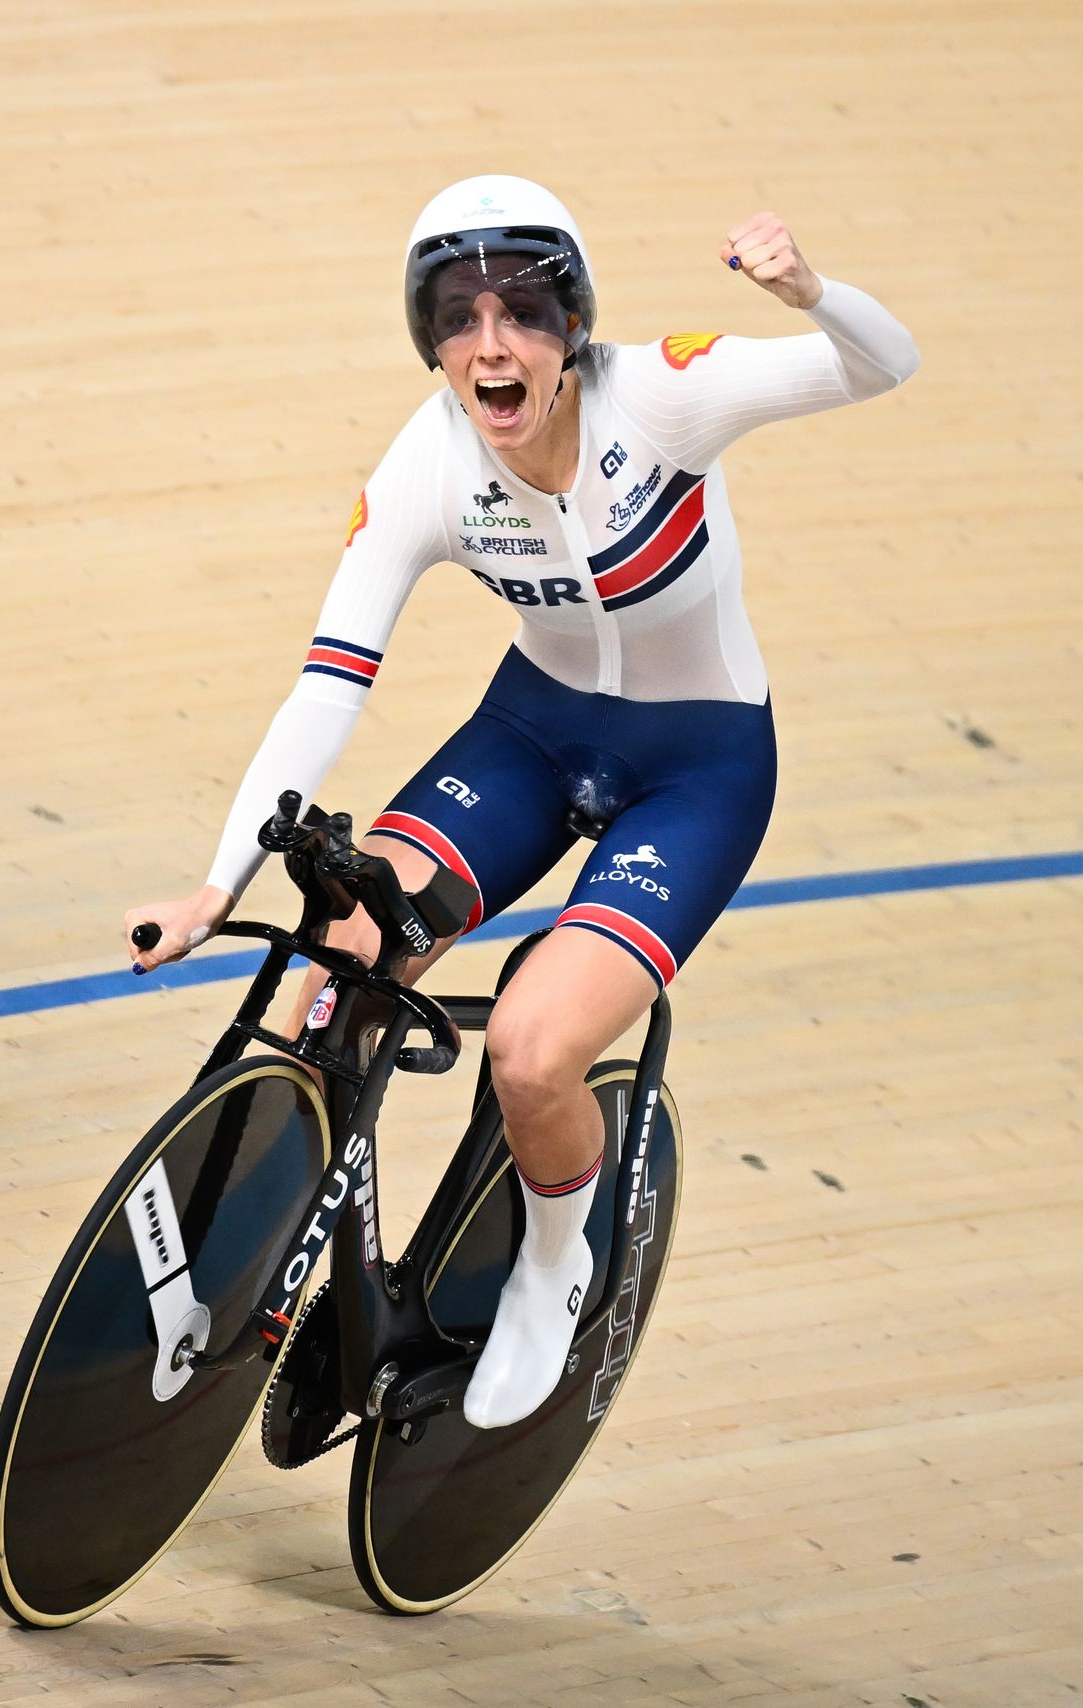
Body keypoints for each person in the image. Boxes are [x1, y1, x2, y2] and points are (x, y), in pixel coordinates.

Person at [125, 174, 917, 1428]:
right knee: (341, 941)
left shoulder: (662, 394)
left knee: (531, 1052)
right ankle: (312, 1253)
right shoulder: (428, 462)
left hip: (695, 772)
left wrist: (808, 291)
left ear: (573, 325)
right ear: (428, 336)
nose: (491, 343)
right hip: (529, 740)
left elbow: (884, 364)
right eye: (456, 314)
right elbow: (329, 683)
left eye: (523, 311)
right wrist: (216, 884)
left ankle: (555, 1265)